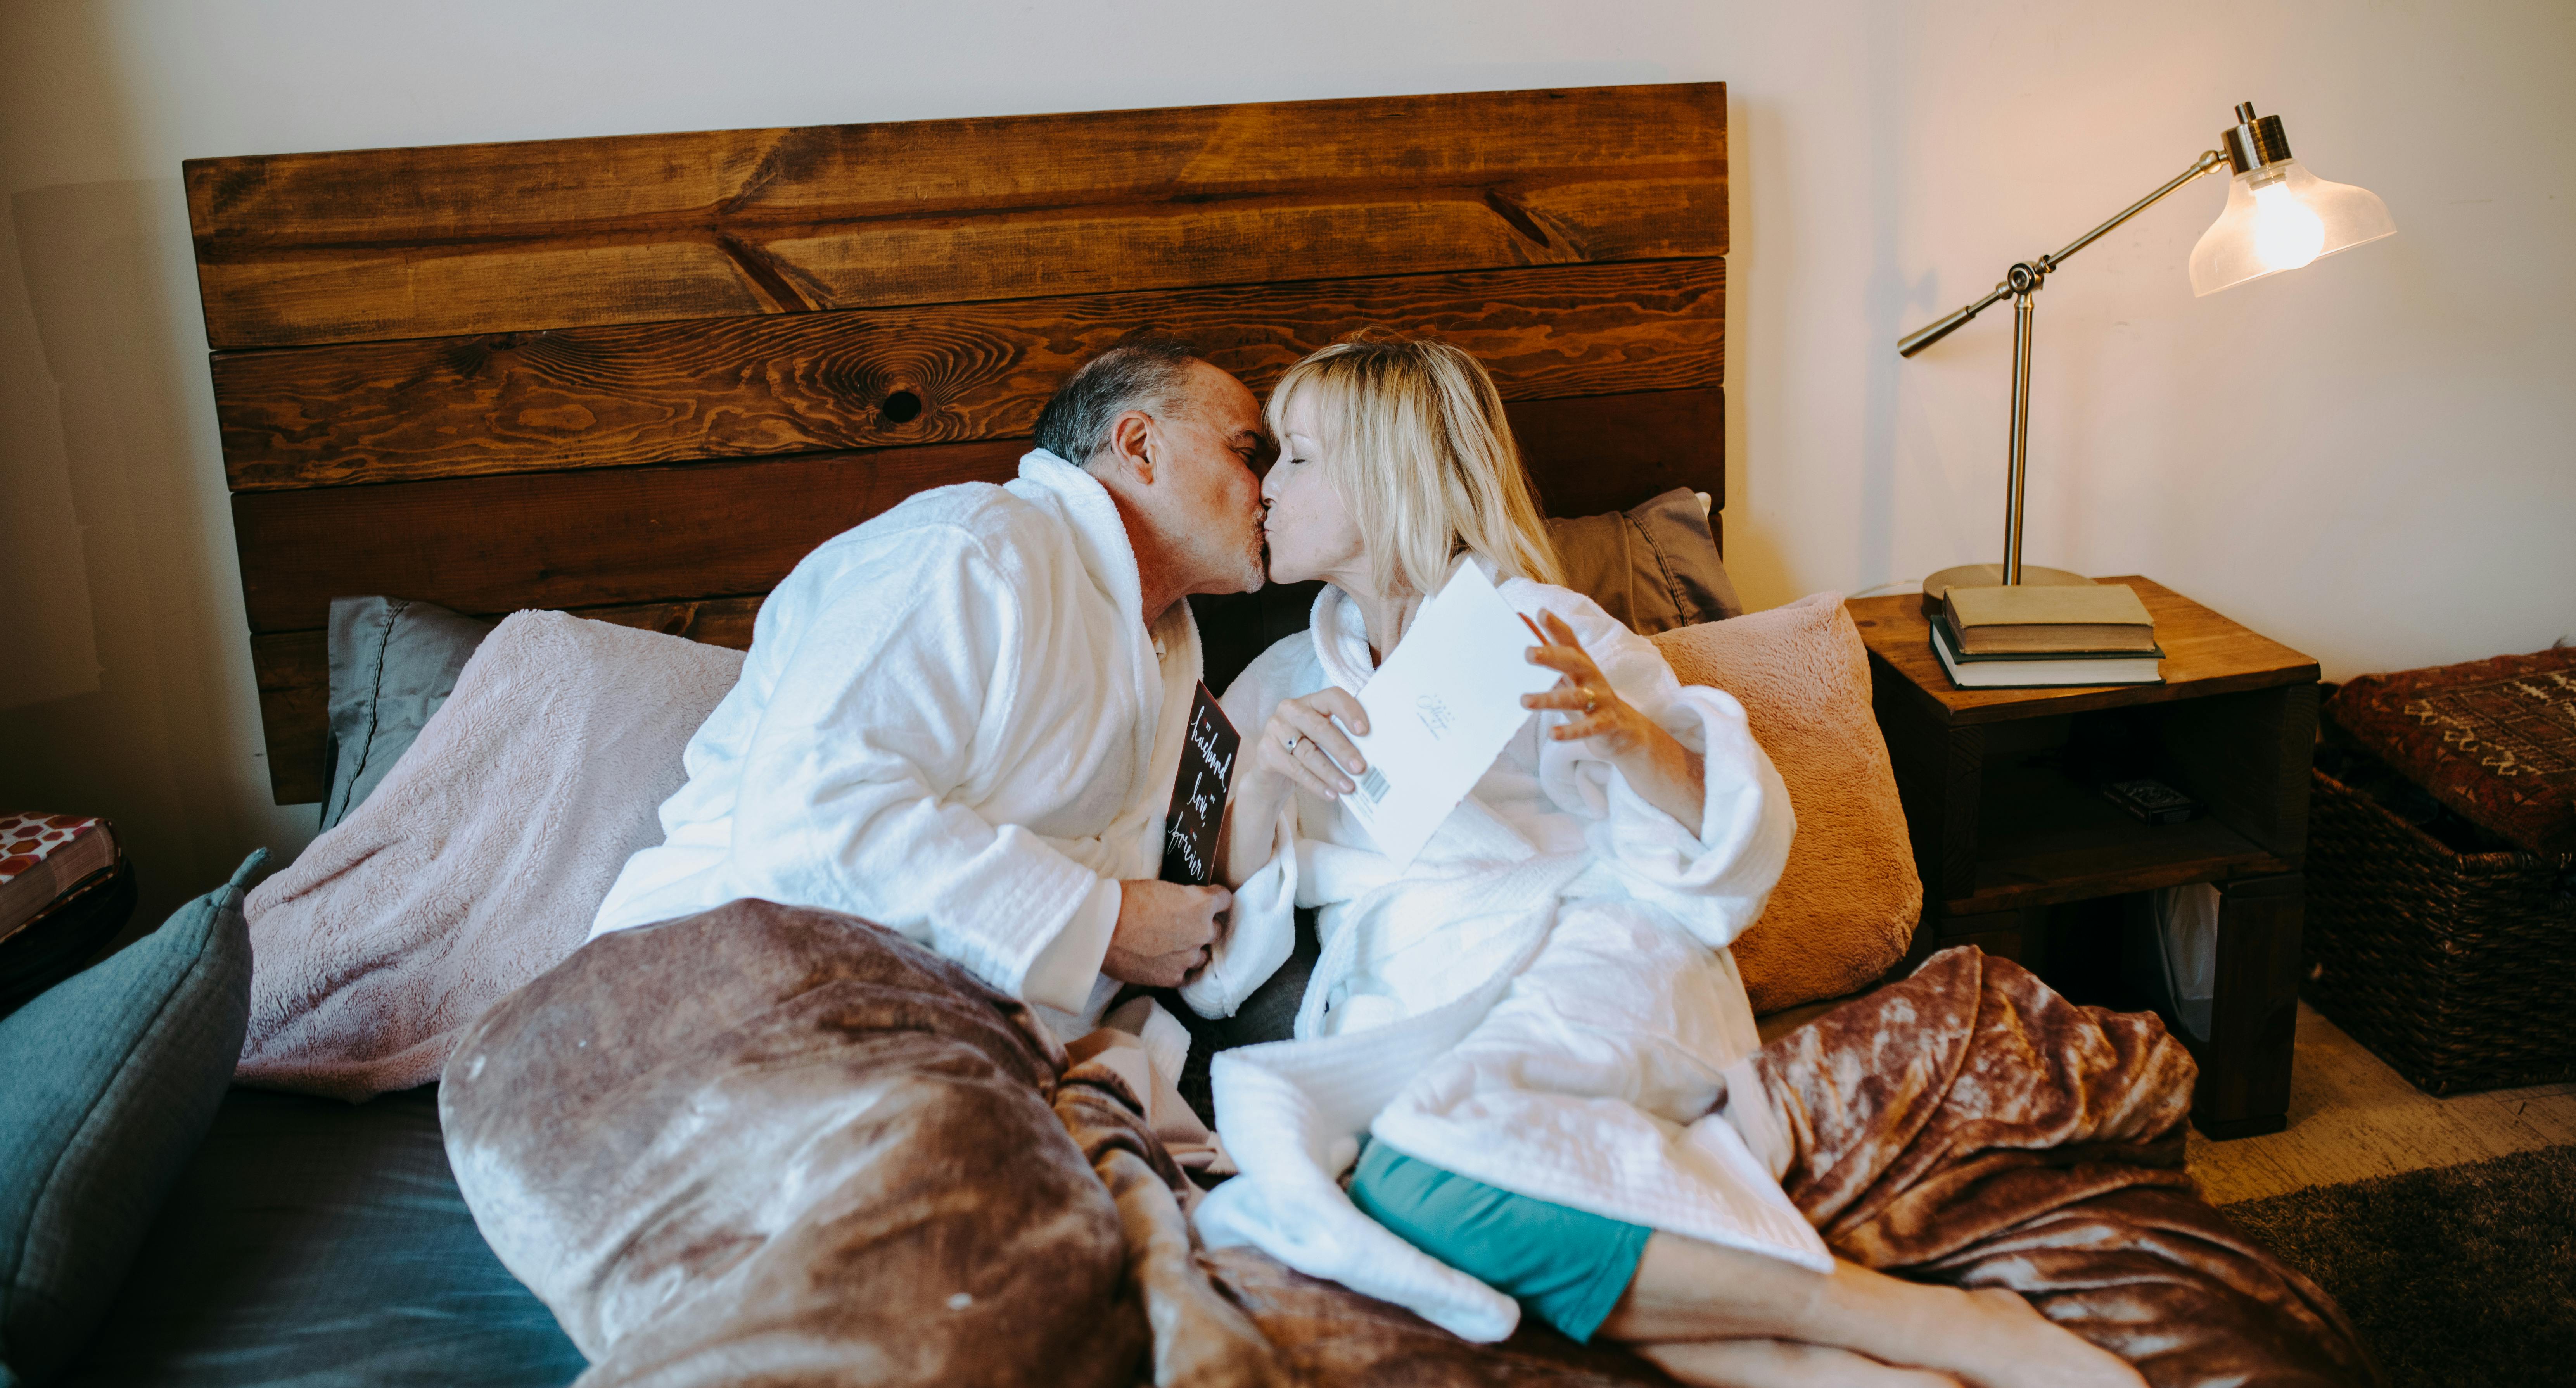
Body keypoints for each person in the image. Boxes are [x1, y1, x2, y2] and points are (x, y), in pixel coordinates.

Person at [1189, 337, 2144, 1388]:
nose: (1265, 487)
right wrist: (1270, 780)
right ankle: (1819, 1367)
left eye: (1298, 459)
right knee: (1399, 1189)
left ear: (1389, 473)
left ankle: (1926, 1324)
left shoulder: (1542, 627)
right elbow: (1214, 923)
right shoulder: (1284, 676)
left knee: (1419, 1172)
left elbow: (1718, 846)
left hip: (1590, 949)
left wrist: (1629, 740)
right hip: (1415, 993)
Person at [585, 337, 1259, 1030]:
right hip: (705, 993)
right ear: (1140, 447)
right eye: (1248, 452)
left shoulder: (1165, 644)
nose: (1272, 490)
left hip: (938, 1043)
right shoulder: (970, 548)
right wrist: (1103, 926)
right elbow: (810, 816)